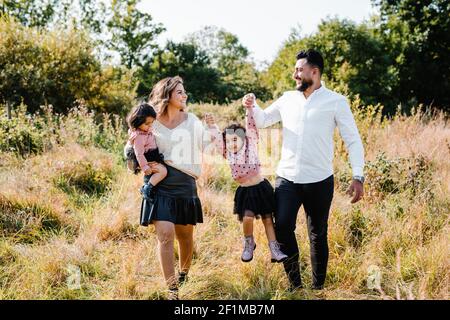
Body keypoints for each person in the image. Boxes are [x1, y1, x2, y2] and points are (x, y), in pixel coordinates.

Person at [242, 49, 365, 291]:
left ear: (314, 72)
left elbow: (353, 140)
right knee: (283, 227)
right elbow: (264, 120)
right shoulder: (287, 98)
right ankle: (295, 285)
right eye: (296, 70)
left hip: (320, 180)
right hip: (287, 178)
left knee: (318, 234)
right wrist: (252, 105)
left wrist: (358, 175)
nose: (295, 74)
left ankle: (318, 289)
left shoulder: (336, 101)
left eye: (299, 70)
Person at [144, 76, 213, 300]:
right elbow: (134, 142)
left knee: (185, 237)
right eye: (180, 92)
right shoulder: (151, 121)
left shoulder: (192, 120)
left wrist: (212, 130)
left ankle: (184, 275)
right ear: (168, 96)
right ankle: (172, 290)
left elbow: (207, 147)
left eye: (185, 92)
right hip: (160, 184)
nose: (185, 95)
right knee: (165, 235)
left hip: (185, 184)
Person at [205, 103, 288, 264]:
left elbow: (251, 125)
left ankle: (274, 249)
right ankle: (249, 243)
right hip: (246, 192)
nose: (231, 144)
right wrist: (211, 125)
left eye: (235, 140)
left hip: (261, 188)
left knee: (268, 219)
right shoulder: (227, 152)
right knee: (247, 218)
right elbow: (217, 139)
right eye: (228, 141)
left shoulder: (250, 144)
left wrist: (249, 109)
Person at [124, 103, 167, 225]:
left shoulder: (145, 131)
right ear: (138, 122)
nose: (149, 126)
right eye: (147, 124)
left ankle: (149, 187)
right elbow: (139, 154)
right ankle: (147, 188)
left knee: (162, 170)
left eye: (151, 123)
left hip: (153, 155)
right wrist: (145, 167)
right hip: (147, 158)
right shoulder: (138, 136)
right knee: (163, 171)